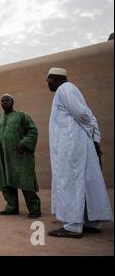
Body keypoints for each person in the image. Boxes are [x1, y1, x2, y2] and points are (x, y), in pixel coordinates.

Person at [46, 67, 113, 238]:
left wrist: (93, 135)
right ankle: (91, 222)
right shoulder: (65, 90)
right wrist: (93, 139)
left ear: (56, 78)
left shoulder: (65, 89)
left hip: (72, 147)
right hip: (73, 145)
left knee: (70, 182)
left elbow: (83, 114)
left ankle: (73, 226)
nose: (47, 83)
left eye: (49, 79)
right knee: (86, 181)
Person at [0, 94, 41, 218]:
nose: (4, 103)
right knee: (6, 182)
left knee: (26, 181)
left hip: (20, 155)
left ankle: (34, 209)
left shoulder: (22, 116)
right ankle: (11, 207)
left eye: (7, 100)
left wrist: (23, 144)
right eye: (2, 101)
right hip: (4, 157)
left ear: (13, 102)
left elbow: (33, 131)